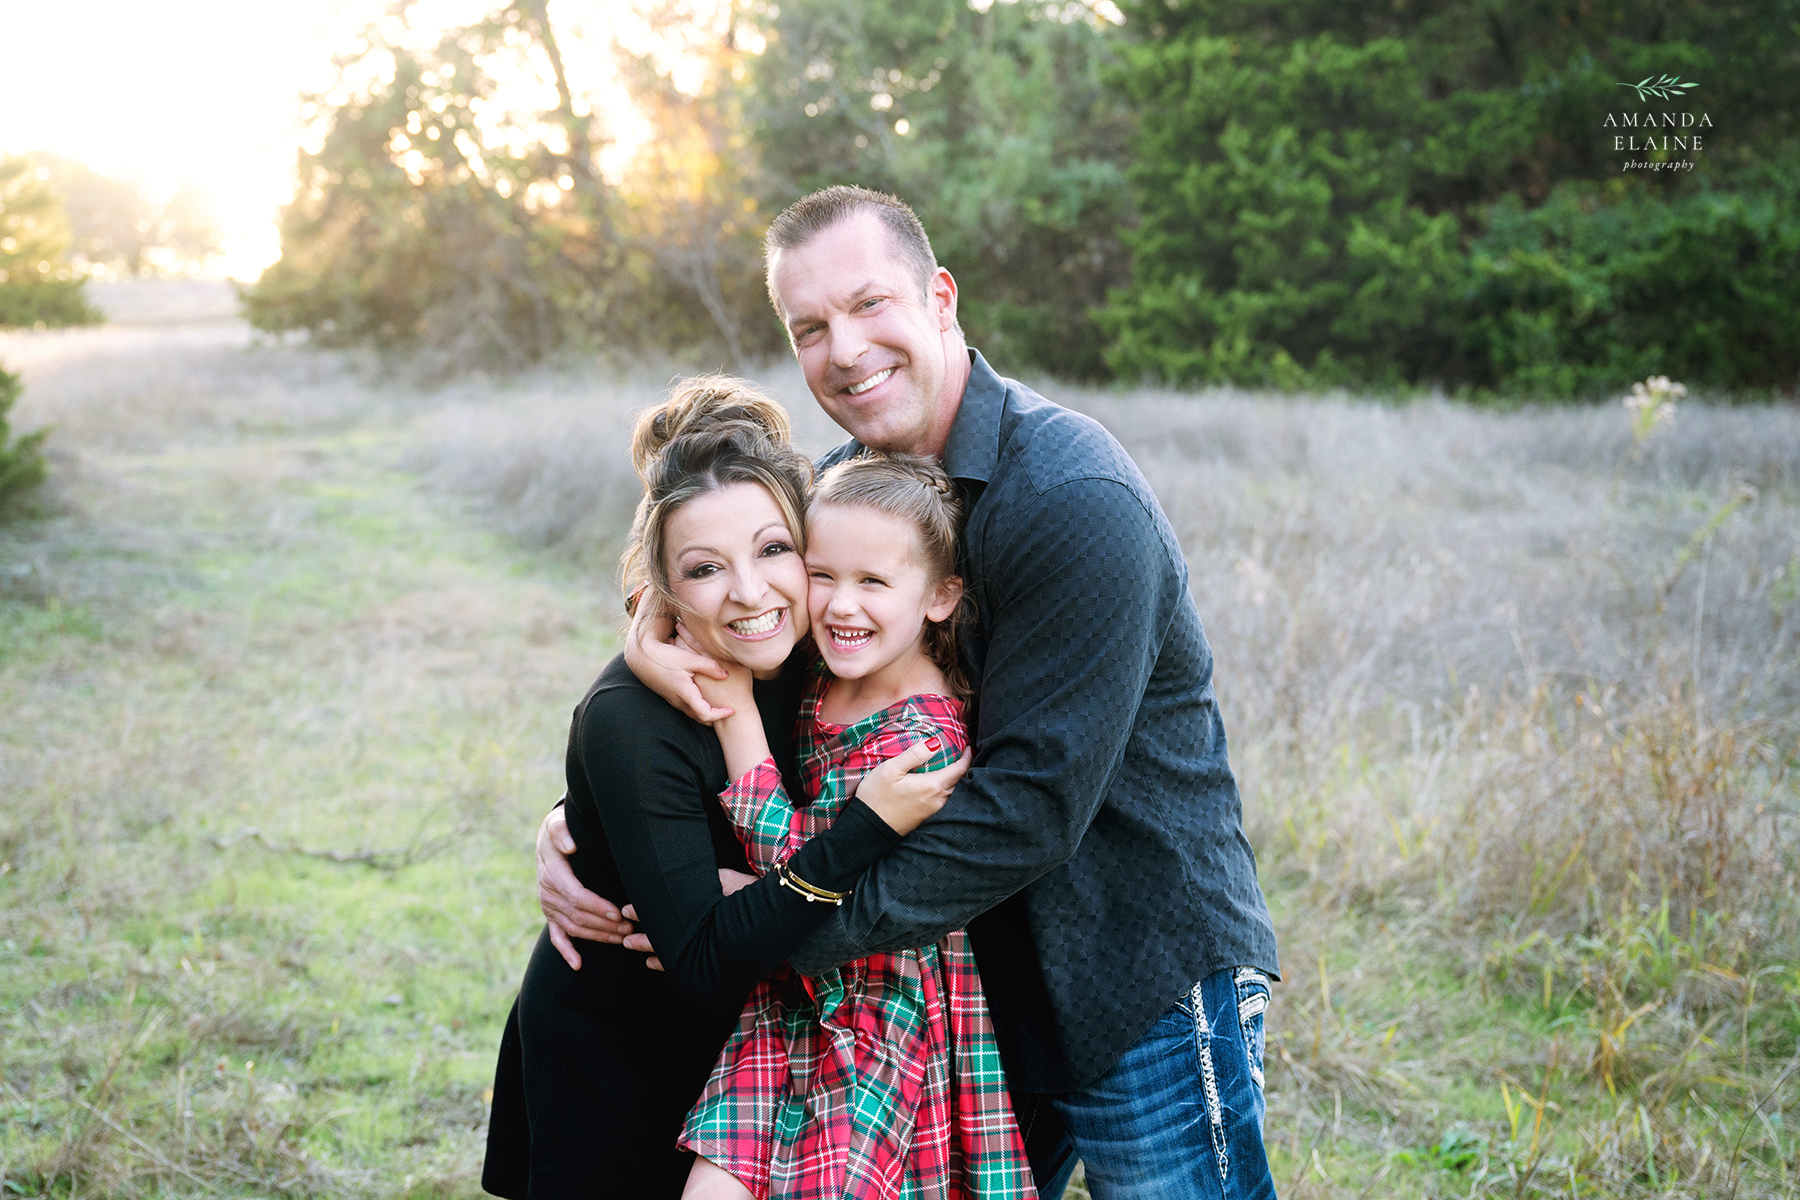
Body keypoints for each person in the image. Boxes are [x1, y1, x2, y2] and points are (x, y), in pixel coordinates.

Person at [537, 187, 1282, 1200]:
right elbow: (728, 621)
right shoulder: (835, 497)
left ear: (939, 297)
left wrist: (774, 930)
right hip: (960, 985)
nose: (843, 350)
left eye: (868, 305)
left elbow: (1027, 810)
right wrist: (593, 821)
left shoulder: (1070, 500)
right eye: (810, 328)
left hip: (1131, 967)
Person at [481, 377, 970, 1199]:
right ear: (664, 592)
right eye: (706, 570)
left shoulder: (820, 649)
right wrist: (860, 831)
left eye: (775, 551)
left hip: (757, 1052)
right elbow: (703, 960)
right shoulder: (630, 722)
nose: (751, 593)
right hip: (620, 1053)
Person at [680, 453, 1032, 1200]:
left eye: (874, 582)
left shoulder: (922, 742)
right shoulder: (825, 672)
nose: (842, 605)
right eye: (823, 574)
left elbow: (807, 864)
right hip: (791, 1000)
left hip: (880, 1017)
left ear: (941, 596)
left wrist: (739, 714)